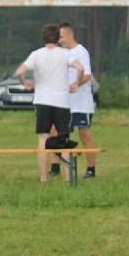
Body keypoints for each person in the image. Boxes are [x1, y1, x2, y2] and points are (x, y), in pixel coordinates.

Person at [15, 24, 84, 182]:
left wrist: (25, 82)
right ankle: (68, 177)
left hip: (42, 101)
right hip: (61, 102)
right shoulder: (65, 53)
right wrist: (76, 83)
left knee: (43, 138)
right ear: (58, 38)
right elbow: (80, 68)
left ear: (43, 38)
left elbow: (19, 72)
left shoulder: (36, 54)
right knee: (64, 138)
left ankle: (43, 177)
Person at [59, 23, 98, 179]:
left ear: (69, 35)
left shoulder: (81, 52)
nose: (59, 40)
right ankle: (57, 167)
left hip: (81, 103)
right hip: (65, 103)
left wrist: (76, 84)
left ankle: (91, 170)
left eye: (61, 37)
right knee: (59, 135)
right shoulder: (62, 53)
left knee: (84, 135)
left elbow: (87, 75)